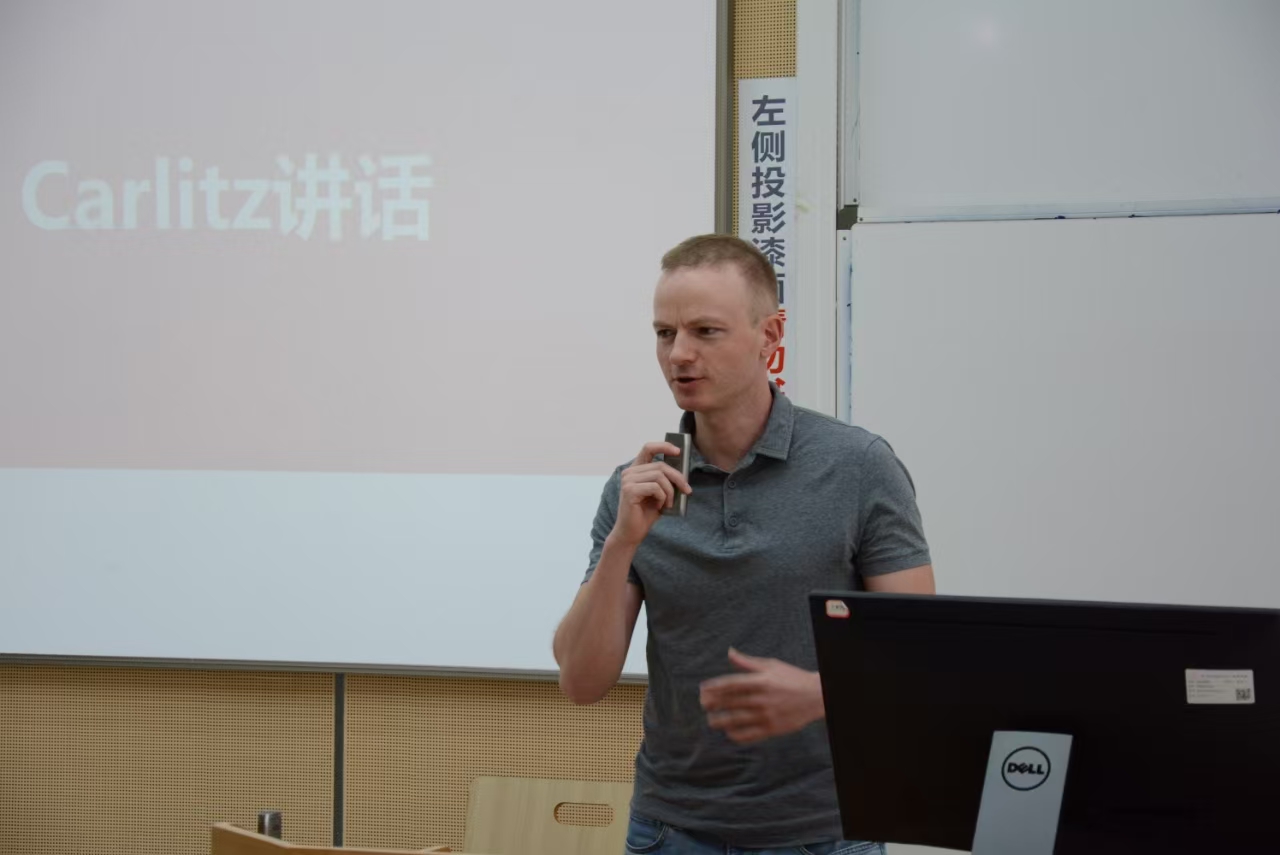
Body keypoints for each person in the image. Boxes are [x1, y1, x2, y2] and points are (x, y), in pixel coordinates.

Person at [552, 235, 934, 854]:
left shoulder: (859, 466)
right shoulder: (639, 485)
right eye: (664, 333)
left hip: (826, 832)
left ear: (770, 335)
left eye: (706, 331)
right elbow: (581, 682)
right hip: (671, 829)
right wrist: (622, 543)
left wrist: (819, 695)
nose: (679, 354)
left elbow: (922, 661)